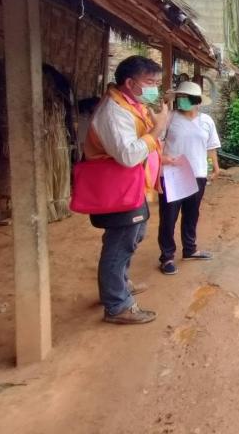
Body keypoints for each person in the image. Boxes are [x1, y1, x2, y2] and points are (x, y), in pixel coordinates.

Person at [84, 55, 169, 325]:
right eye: (150, 82)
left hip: (132, 186)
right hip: (118, 188)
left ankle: (118, 284)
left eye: (156, 82)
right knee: (120, 242)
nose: (154, 87)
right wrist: (158, 129)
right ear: (130, 83)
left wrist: (155, 127)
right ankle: (117, 305)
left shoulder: (133, 105)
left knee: (134, 235)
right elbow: (128, 155)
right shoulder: (114, 112)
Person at [157, 81, 221, 276]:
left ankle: (190, 249)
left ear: (197, 101)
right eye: (180, 97)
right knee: (169, 216)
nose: (182, 101)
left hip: (198, 174)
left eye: (187, 98)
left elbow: (211, 146)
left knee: (192, 214)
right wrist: (161, 162)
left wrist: (215, 166)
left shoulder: (207, 121)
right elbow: (156, 142)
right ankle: (167, 256)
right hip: (172, 174)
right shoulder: (169, 118)